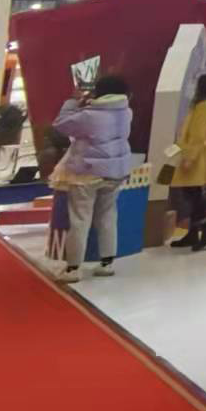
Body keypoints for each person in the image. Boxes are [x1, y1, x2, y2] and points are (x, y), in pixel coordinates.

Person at [50, 74, 134, 282]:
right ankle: (107, 263)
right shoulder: (126, 112)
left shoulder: (89, 115)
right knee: (107, 216)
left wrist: (73, 101)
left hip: (86, 173)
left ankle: (73, 268)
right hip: (115, 171)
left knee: (80, 219)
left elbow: (60, 124)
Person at [169, 73, 206, 251]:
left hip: (196, 158)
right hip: (204, 158)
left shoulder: (203, 106)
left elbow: (197, 135)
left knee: (192, 195)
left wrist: (189, 157)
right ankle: (193, 233)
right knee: (194, 194)